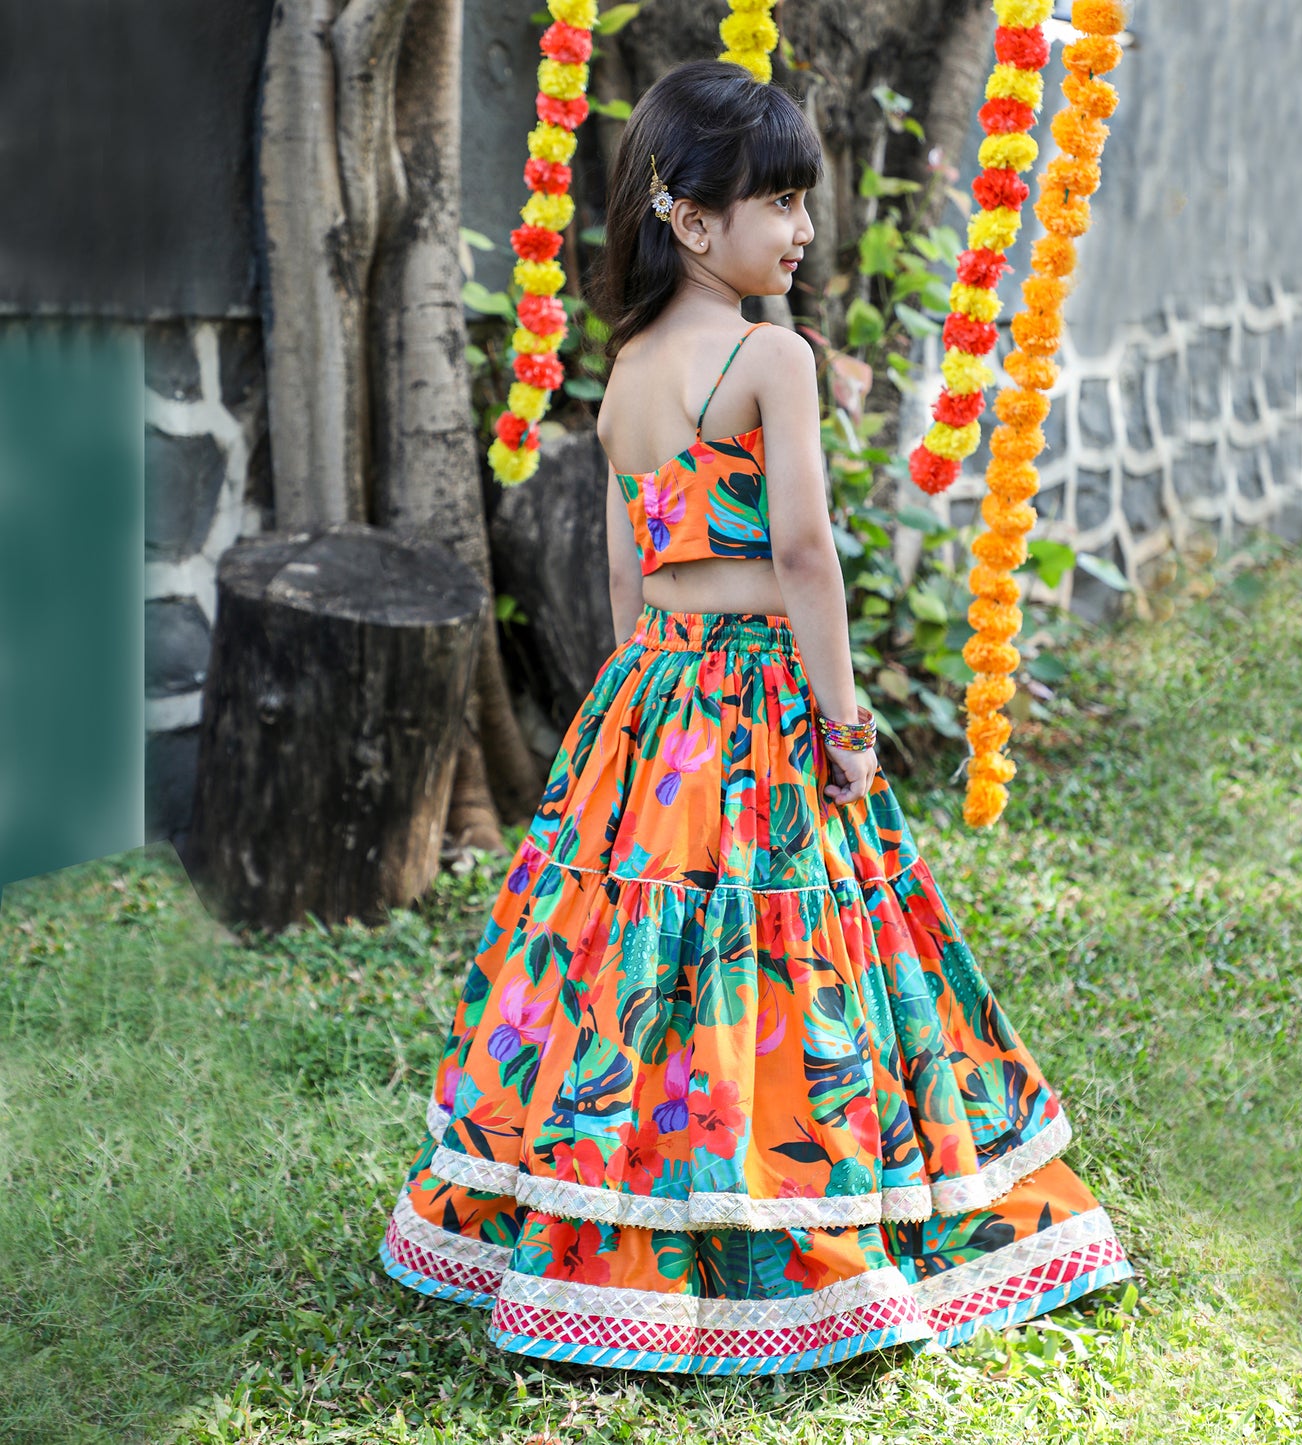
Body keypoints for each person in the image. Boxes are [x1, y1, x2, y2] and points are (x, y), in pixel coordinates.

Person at [378, 56, 1132, 1374]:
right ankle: (790, 1196)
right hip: (762, 697)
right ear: (685, 216)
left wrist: (635, 721)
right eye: (775, 203)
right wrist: (842, 726)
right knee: (795, 943)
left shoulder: (621, 375)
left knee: (644, 953)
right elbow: (802, 554)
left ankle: (616, 1200)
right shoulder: (770, 358)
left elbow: (620, 569)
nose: (798, 231)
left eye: (803, 203)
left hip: (658, 695)